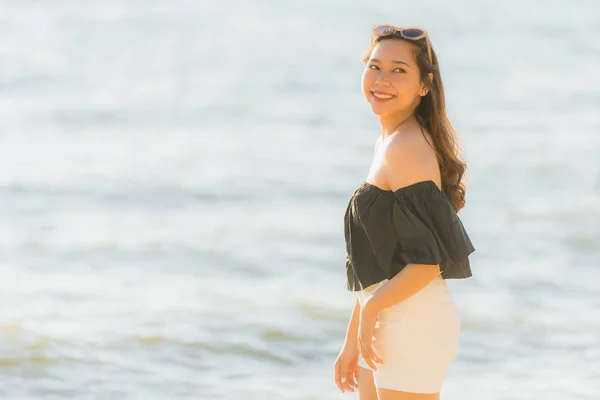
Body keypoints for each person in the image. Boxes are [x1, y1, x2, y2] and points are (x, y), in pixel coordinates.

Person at [333, 25, 476, 400]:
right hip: (384, 317)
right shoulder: (388, 141)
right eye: (374, 67)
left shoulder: (406, 147)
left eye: (399, 70)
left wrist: (371, 311)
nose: (382, 80)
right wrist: (353, 336)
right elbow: (378, 263)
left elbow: (428, 262)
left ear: (424, 86)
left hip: (413, 322)